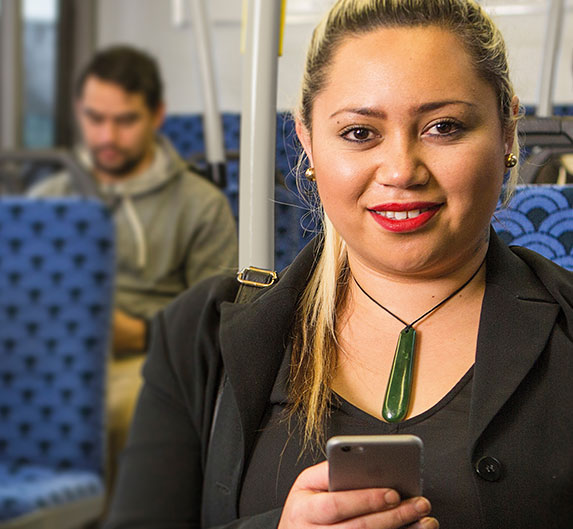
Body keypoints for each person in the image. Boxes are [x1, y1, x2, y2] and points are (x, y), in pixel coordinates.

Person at [104, 1, 572, 528]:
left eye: (443, 127)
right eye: (358, 133)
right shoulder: (199, 337)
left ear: (507, 130)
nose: (401, 170)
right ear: (307, 141)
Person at [29, 46, 238, 486]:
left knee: (109, 409)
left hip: (144, 355)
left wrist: (139, 333)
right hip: (41, 350)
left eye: (124, 121)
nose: (106, 136)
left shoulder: (199, 205)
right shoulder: (49, 197)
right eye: (94, 118)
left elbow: (215, 324)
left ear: (156, 115)